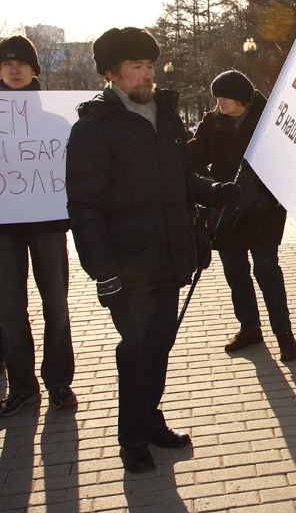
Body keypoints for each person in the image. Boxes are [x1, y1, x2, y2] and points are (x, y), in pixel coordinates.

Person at [66, 27, 240, 473]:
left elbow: (184, 178)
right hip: (127, 264)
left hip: (169, 254)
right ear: (111, 74)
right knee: (138, 346)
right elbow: (84, 206)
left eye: (150, 66)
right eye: (136, 67)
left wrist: (215, 190)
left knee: (161, 343)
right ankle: (132, 440)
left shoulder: (165, 115)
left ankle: (150, 419)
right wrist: (101, 269)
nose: (147, 75)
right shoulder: (94, 128)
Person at [188, 70, 296, 362]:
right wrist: (212, 187)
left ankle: (284, 334)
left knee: (266, 269)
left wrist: (272, 194)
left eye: (224, 97)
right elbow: (194, 159)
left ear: (242, 99)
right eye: (217, 97)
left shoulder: (270, 117)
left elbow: (289, 160)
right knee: (236, 273)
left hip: (264, 210)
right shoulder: (212, 122)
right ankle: (249, 328)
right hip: (227, 209)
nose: (219, 102)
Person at [0, 35, 77, 416]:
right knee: (9, 310)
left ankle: (59, 381)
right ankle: (23, 387)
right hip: (3, 231)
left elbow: (73, 173)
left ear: (34, 70)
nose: (14, 70)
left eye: (22, 64)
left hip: (48, 225)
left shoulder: (55, 121)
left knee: (56, 306)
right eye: (7, 64)